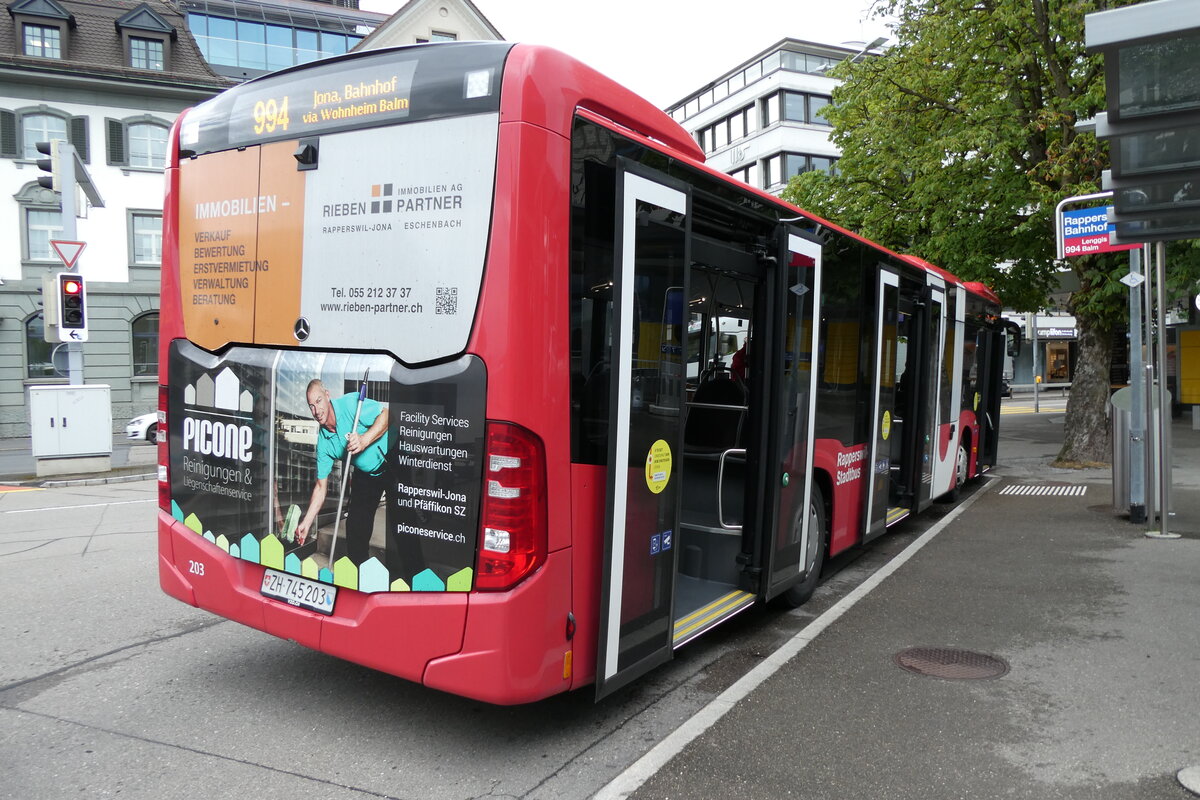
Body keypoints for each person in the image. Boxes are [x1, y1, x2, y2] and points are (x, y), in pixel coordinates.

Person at [295, 378, 392, 567]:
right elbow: (321, 487)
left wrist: (364, 440)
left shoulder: (350, 404)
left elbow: (388, 416)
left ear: (327, 396)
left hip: (393, 458)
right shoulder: (324, 443)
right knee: (355, 528)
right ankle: (358, 577)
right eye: (311, 406)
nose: (316, 410)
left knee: (403, 526)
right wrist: (306, 522)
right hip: (367, 474)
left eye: (319, 401)